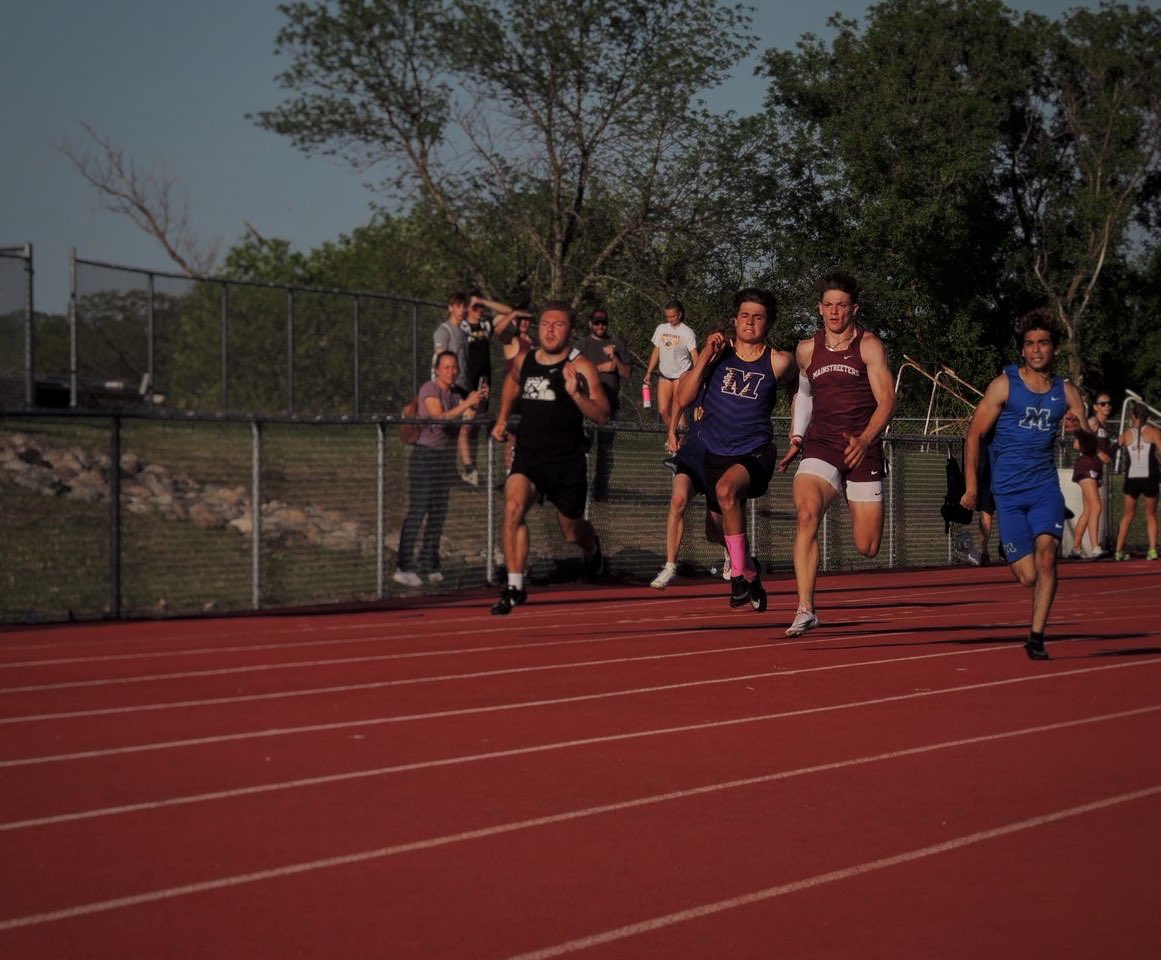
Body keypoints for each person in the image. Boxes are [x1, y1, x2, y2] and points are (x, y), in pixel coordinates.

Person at [960, 309, 1094, 660]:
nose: (1037, 350)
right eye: (1030, 344)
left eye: (1044, 343)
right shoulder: (1004, 385)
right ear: (1022, 349)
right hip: (1007, 492)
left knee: (1049, 555)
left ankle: (1036, 637)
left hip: (1044, 488)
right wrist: (972, 487)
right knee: (1028, 577)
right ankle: (1030, 581)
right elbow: (974, 434)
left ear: (1054, 349)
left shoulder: (1066, 392)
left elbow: (1091, 445)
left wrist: (1078, 430)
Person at [780, 271, 895, 637]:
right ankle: (805, 608)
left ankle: (856, 494)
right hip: (822, 446)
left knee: (868, 546)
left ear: (853, 309)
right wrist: (797, 437)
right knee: (805, 513)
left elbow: (888, 400)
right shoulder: (806, 349)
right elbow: (805, 395)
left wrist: (865, 439)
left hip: (862, 449)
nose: (834, 312)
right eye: (828, 305)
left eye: (841, 305)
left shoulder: (869, 346)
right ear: (819, 308)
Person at [675, 287, 794, 611]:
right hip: (714, 450)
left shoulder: (779, 361)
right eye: (744, 316)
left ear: (768, 323)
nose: (750, 322)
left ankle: (739, 578)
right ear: (734, 320)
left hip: (754, 451)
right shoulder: (718, 356)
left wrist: (799, 433)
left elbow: (801, 389)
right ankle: (750, 569)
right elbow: (684, 399)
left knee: (728, 490)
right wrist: (704, 358)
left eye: (758, 317)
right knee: (715, 530)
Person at [489, 302, 611, 614]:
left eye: (558, 325)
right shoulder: (526, 359)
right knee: (513, 507)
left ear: (570, 331)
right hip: (529, 457)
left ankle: (592, 547)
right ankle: (515, 586)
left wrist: (576, 394)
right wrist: (503, 418)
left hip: (567, 462)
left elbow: (602, 416)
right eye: (545, 324)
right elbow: (512, 382)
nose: (550, 330)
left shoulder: (581, 366)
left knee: (571, 532)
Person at [394, 351, 486, 587]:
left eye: (454, 367)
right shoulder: (429, 389)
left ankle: (429, 562)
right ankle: (403, 566)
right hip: (425, 458)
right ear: (437, 369)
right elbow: (439, 418)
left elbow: (464, 421)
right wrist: (466, 403)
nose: (451, 371)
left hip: (444, 460)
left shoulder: (455, 395)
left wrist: (476, 403)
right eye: (446, 367)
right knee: (419, 510)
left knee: (438, 513)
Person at [650, 402, 725, 589]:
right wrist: (674, 431)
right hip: (691, 459)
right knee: (678, 499)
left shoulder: (728, 383)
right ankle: (670, 565)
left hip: (718, 462)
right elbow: (677, 402)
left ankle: (735, 549)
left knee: (714, 531)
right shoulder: (693, 383)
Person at [573, 307, 631, 501]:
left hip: (610, 407)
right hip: (586, 405)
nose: (600, 326)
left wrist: (614, 358)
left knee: (605, 450)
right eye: (596, 323)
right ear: (590, 323)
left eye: (603, 323)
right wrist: (600, 368)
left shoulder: (616, 344)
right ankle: (579, 487)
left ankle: (601, 491)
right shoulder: (581, 345)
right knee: (583, 446)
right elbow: (570, 369)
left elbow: (626, 373)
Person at [432, 292, 478, 485]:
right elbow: (442, 360)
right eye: (457, 306)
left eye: (464, 306)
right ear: (450, 307)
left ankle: (457, 470)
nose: (462, 310)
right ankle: (467, 469)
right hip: (453, 387)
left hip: (464, 385)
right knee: (460, 424)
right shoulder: (443, 331)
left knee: (464, 425)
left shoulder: (464, 332)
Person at [1068, 391, 1115, 559]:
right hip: (1086, 467)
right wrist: (1098, 452)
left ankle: (1076, 548)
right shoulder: (1093, 422)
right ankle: (1096, 547)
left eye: (1109, 403)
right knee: (1097, 507)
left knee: (1088, 511)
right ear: (1095, 407)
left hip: (1096, 470)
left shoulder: (1106, 427)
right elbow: (1076, 444)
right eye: (1102, 403)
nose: (1107, 406)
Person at [644, 300, 699, 438]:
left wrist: (697, 374)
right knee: (663, 410)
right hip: (664, 375)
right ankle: (675, 435)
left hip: (681, 375)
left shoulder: (688, 332)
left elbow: (694, 355)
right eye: (667, 316)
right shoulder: (661, 329)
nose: (670, 319)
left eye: (672, 316)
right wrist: (649, 372)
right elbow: (656, 351)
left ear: (679, 314)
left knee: (678, 409)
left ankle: (681, 441)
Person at [1114, 402, 1160, 561]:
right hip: (1150, 478)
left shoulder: (1126, 434)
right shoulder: (1154, 432)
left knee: (1127, 515)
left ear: (1133, 417)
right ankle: (1152, 550)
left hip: (1132, 478)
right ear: (1146, 418)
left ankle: (1118, 551)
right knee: (1151, 514)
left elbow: (1114, 447)